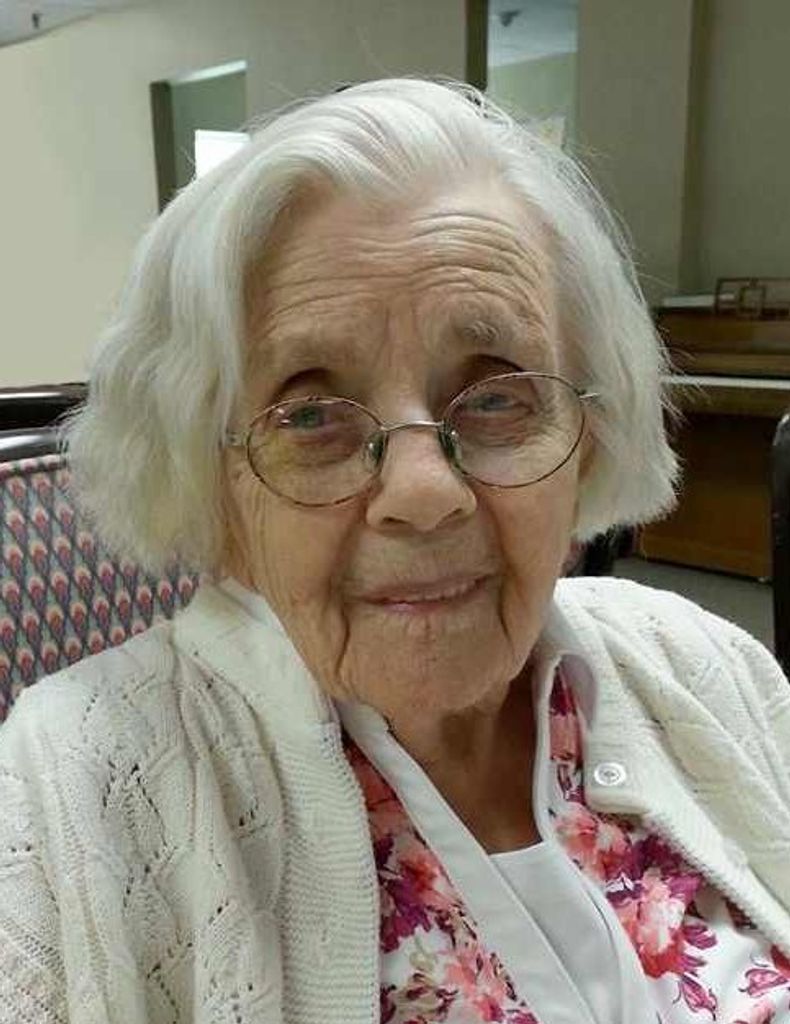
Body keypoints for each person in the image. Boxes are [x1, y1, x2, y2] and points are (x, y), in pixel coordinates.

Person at [1, 78, 788, 1024]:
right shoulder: (67, 789)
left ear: (589, 432)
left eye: (496, 396)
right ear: (207, 472)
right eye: (311, 415)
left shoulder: (702, 661)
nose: (424, 493)